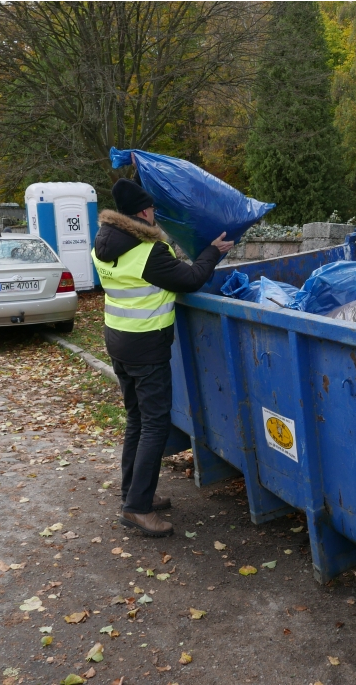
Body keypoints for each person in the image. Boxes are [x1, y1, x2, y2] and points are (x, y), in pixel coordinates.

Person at [91, 178, 234, 537]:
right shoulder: (148, 251)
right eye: (152, 208)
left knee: (136, 420)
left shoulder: (103, 245)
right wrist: (214, 251)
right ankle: (137, 509)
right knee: (154, 424)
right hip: (146, 347)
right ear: (142, 211)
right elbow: (191, 279)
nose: (155, 213)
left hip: (118, 342)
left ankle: (134, 494)